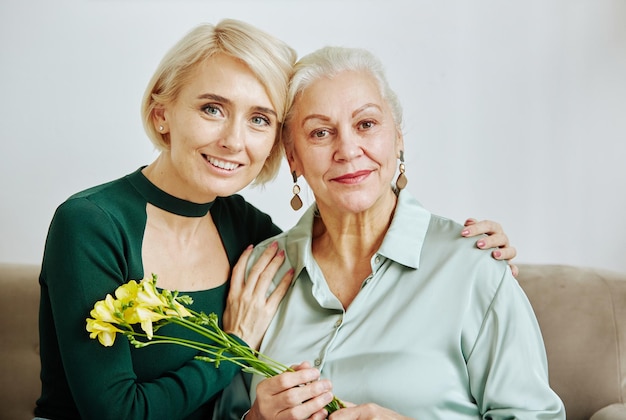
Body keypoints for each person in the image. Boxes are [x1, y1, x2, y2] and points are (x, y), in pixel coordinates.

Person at [34, 19, 517, 420]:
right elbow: (115, 413)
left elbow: (346, 234)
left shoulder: (248, 233)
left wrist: (470, 258)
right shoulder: (91, 223)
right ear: (162, 114)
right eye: (212, 108)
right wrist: (234, 344)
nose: (233, 140)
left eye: (259, 118)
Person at [218, 46, 565, 419]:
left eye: (366, 125)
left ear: (398, 139)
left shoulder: (474, 266)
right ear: (293, 157)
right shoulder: (259, 273)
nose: (348, 150)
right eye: (321, 132)